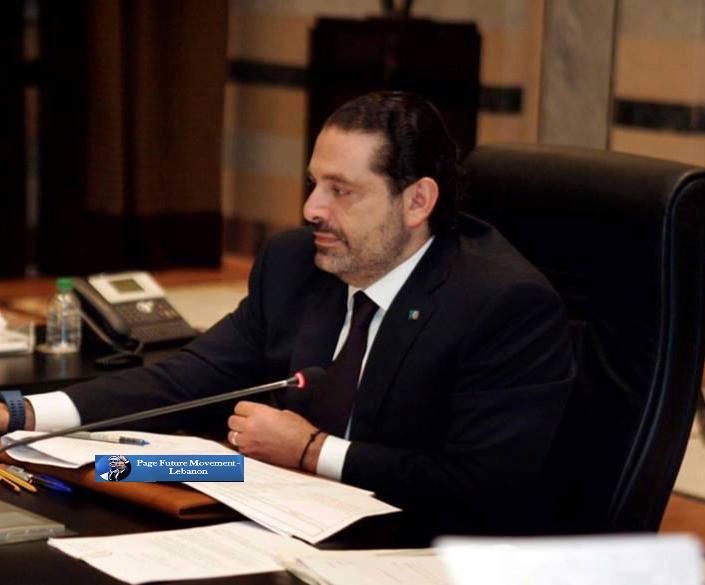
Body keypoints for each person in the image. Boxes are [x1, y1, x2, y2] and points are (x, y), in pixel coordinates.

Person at [1, 92, 574, 535]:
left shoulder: (501, 303)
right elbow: (189, 376)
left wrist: (311, 449)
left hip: (403, 539)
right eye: (313, 183)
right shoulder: (296, 262)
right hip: (255, 491)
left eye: (341, 190)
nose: (311, 208)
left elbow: (482, 485)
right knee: (92, 477)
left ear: (417, 201)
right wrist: (21, 412)